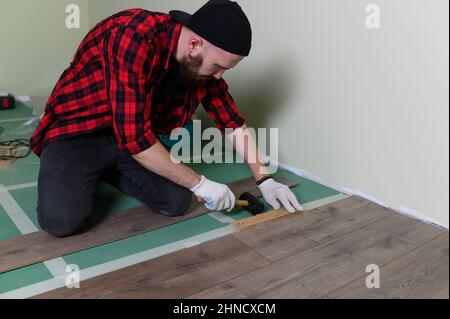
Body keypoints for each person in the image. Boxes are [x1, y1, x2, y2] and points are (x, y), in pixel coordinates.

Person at [30, 0, 303, 238]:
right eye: (218, 66)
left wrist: (264, 179)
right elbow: (136, 139)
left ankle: (109, 169)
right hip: (77, 133)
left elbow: (230, 120)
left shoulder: (198, 64)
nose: (220, 76)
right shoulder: (131, 36)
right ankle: (87, 168)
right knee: (61, 221)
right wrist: (201, 183)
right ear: (195, 44)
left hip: (127, 138)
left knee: (175, 202)